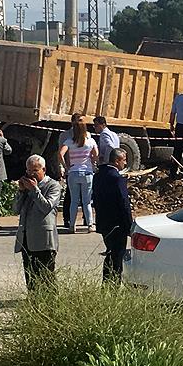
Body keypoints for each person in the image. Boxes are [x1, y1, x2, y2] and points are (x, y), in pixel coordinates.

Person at [14, 154, 62, 292]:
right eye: (28, 171)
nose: (31, 174)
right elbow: (16, 209)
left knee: (47, 278)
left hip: (44, 240)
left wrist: (35, 190)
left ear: (44, 170)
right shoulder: (27, 188)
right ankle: (34, 304)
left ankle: (51, 307)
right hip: (26, 239)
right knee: (31, 278)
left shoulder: (53, 186)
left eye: (35, 171)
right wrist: (21, 192)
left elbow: (46, 207)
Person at [92, 148, 133, 284]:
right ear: (117, 161)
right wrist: (129, 226)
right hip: (117, 224)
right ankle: (114, 286)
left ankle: (106, 284)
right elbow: (124, 204)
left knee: (110, 253)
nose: (125, 164)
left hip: (104, 222)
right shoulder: (117, 178)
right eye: (124, 160)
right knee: (117, 257)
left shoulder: (98, 176)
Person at [59, 117, 99, 233]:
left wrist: (66, 167)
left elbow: (60, 154)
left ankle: (72, 225)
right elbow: (96, 155)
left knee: (74, 201)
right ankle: (90, 225)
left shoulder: (69, 142)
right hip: (87, 172)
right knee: (86, 201)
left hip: (73, 173)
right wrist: (92, 161)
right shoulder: (90, 141)